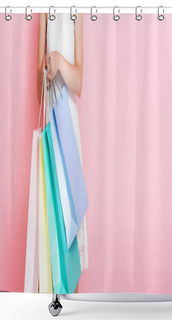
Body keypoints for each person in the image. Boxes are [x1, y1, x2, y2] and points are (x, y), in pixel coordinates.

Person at [37, 12, 88, 293]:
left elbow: (79, 83)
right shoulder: (45, 12)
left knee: (72, 217)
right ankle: (56, 297)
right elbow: (37, 90)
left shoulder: (77, 13)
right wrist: (46, 69)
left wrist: (60, 62)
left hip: (69, 121)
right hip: (50, 121)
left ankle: (73, 299)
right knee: (52, 215)